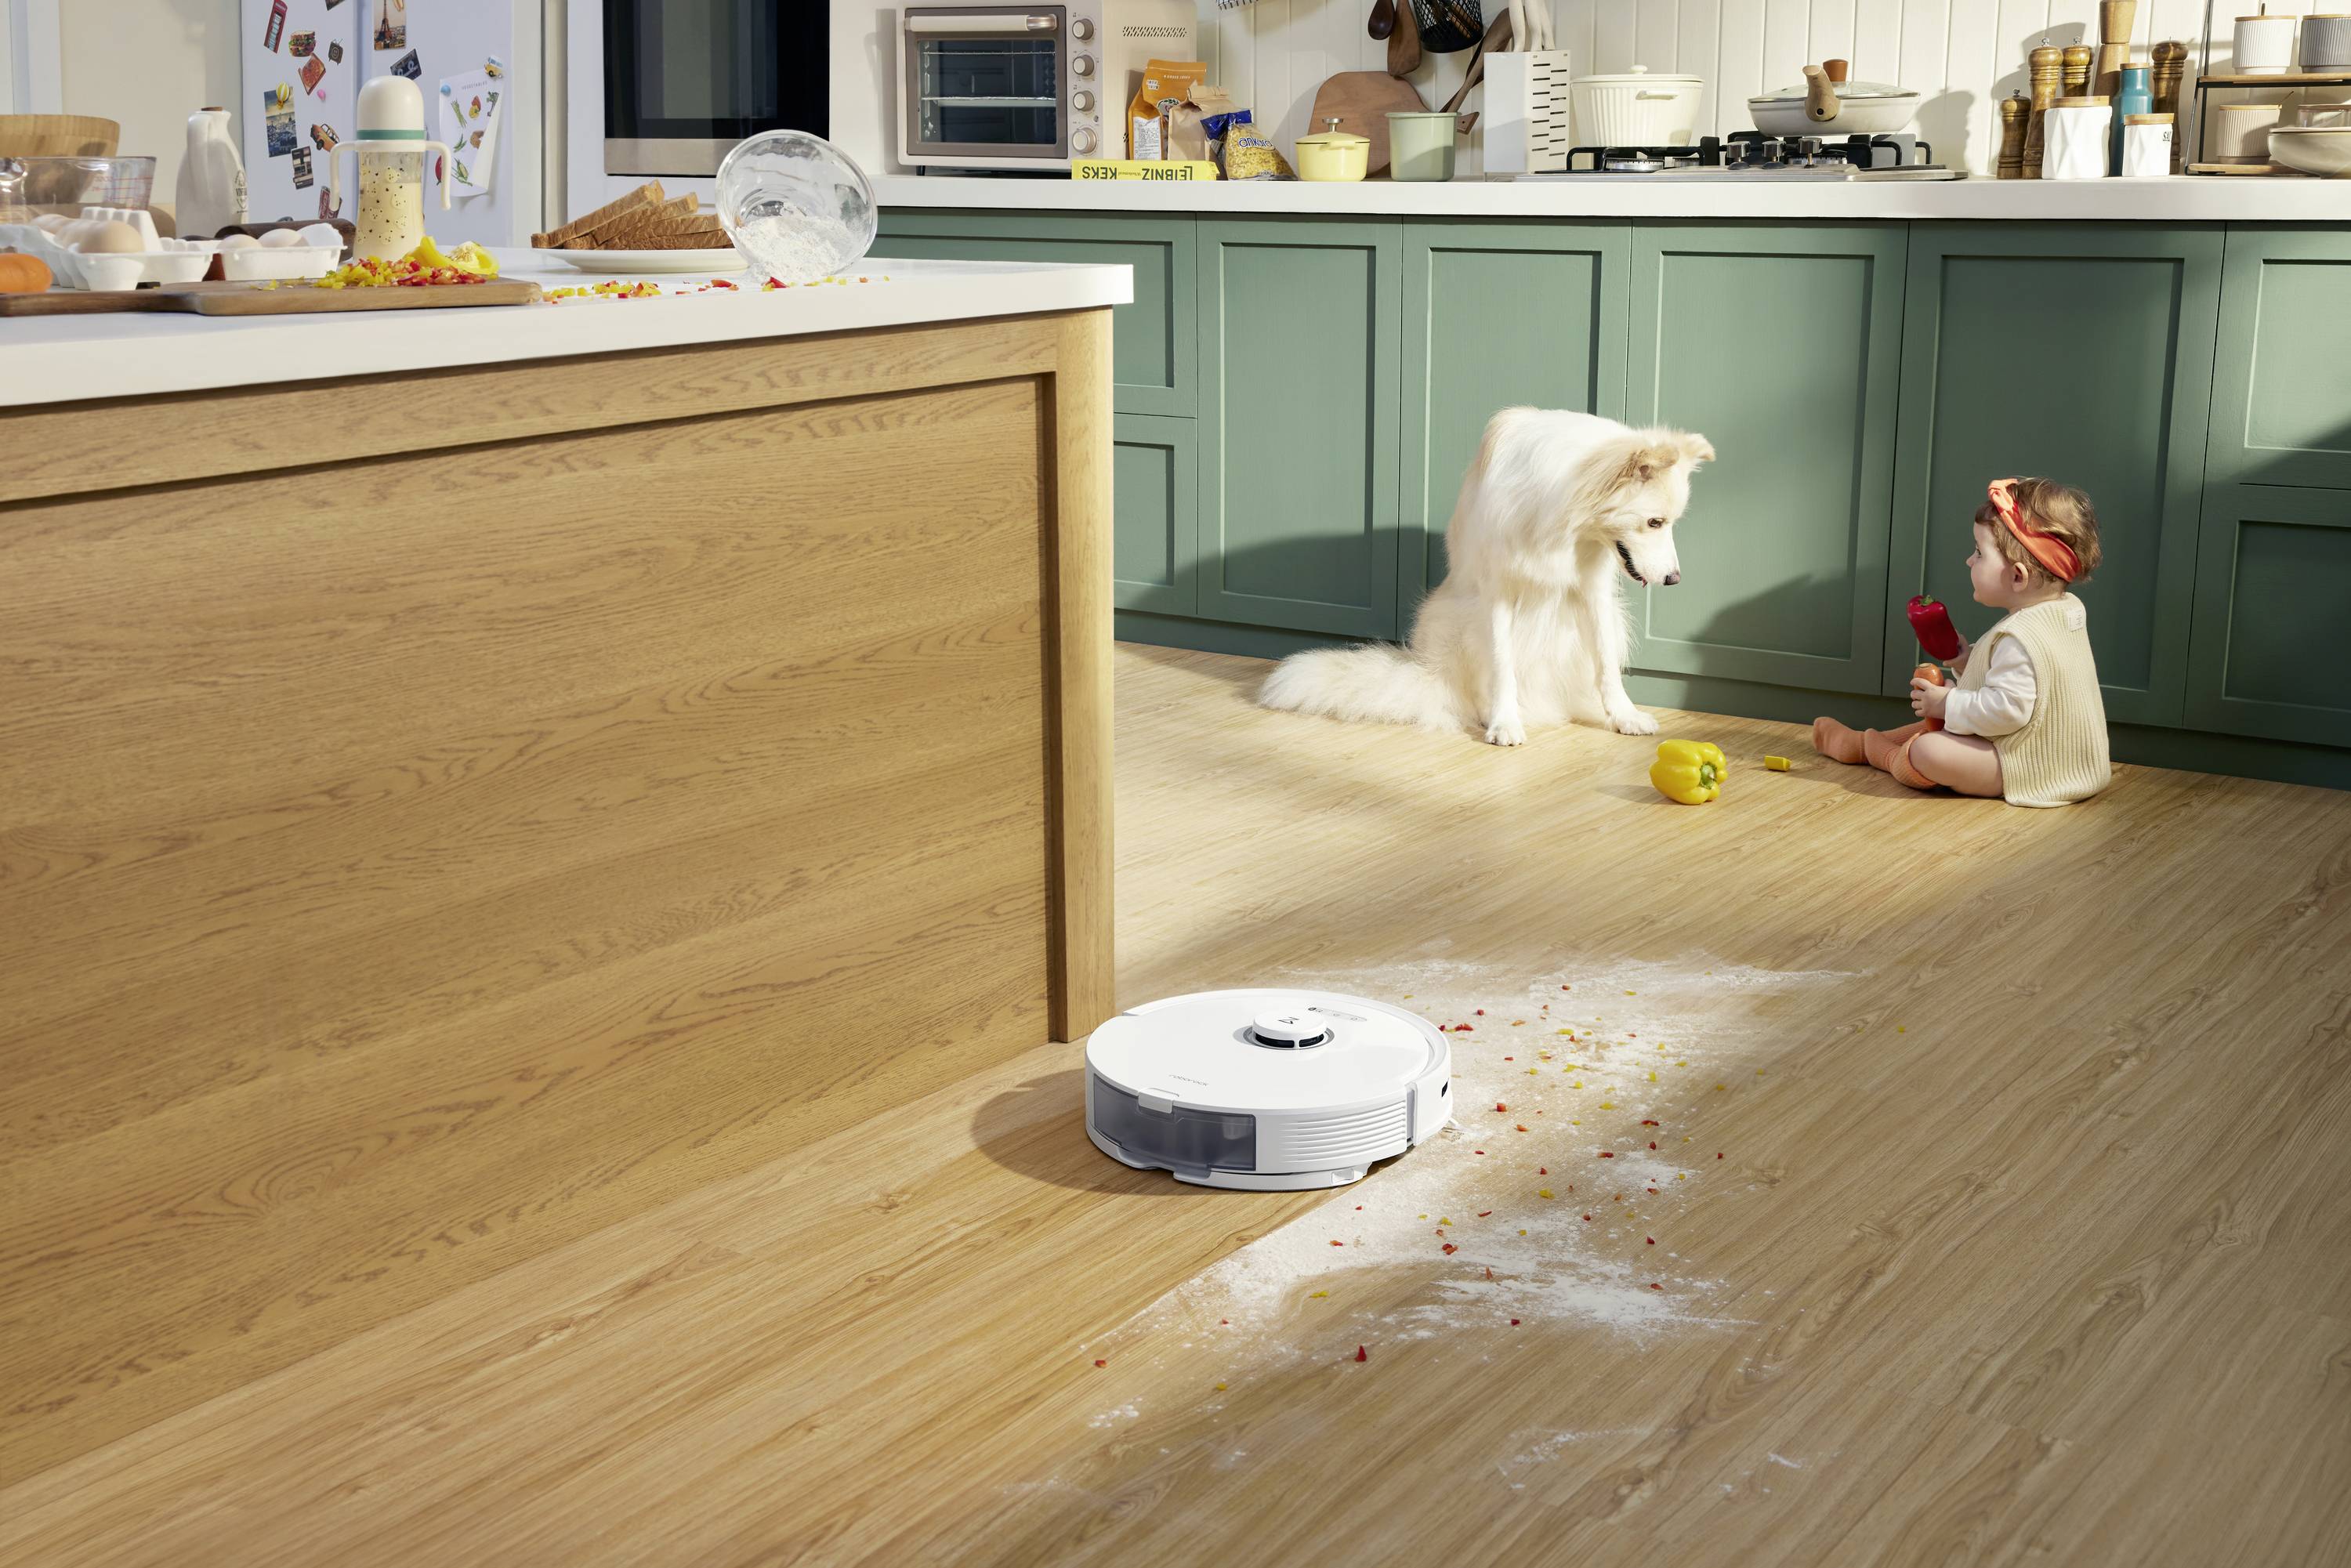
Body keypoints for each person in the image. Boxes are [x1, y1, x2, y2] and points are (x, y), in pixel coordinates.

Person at [1813, 477, 2110, 807]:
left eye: (1979, 553)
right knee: (1936, 726)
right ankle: (1861, 743)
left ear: (2018, 576)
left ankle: (1876, 753)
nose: (1970, 561)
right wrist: (1965, 663)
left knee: (1931, 749)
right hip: (2070, 762)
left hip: (2031, 768)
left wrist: (1947, 703)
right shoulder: (2063, 612)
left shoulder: (2020, 637)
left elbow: (2008, 712)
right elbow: (2035, 685)